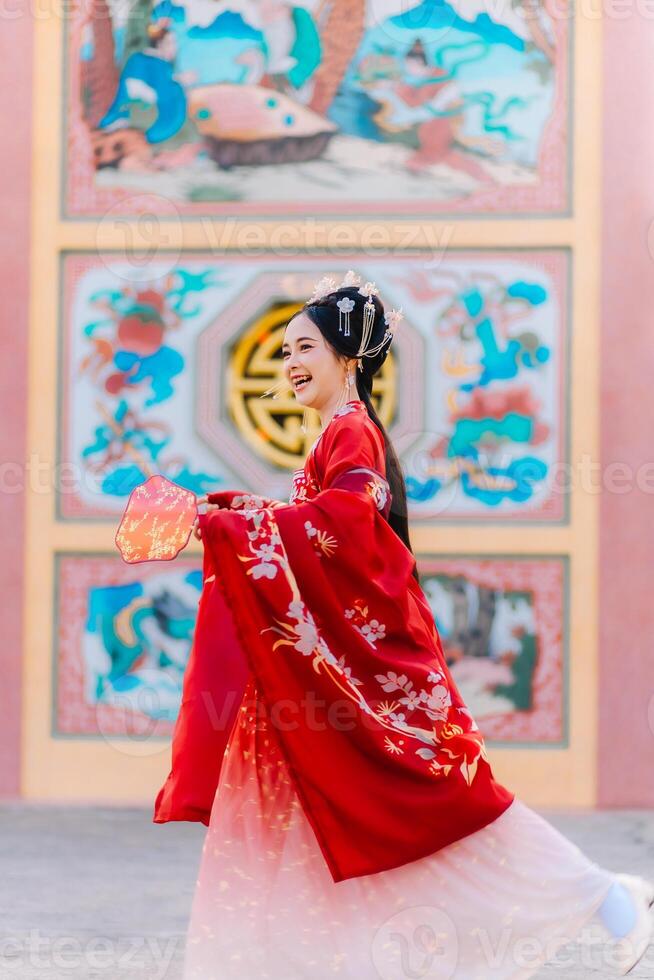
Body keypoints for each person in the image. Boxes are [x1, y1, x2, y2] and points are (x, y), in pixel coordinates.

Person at [154, 272, 654, 978]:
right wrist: (239, 509)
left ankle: (607, 898)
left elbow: (348, 525)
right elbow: (321, 525)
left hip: (379, 669)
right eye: (284, 352)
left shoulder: (352, 432)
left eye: (304, 347)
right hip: (354, 664)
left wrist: (236, 523)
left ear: (347, 357)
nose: (290, 363)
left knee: (447, 803)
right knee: (362, 810)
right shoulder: (336, 436)